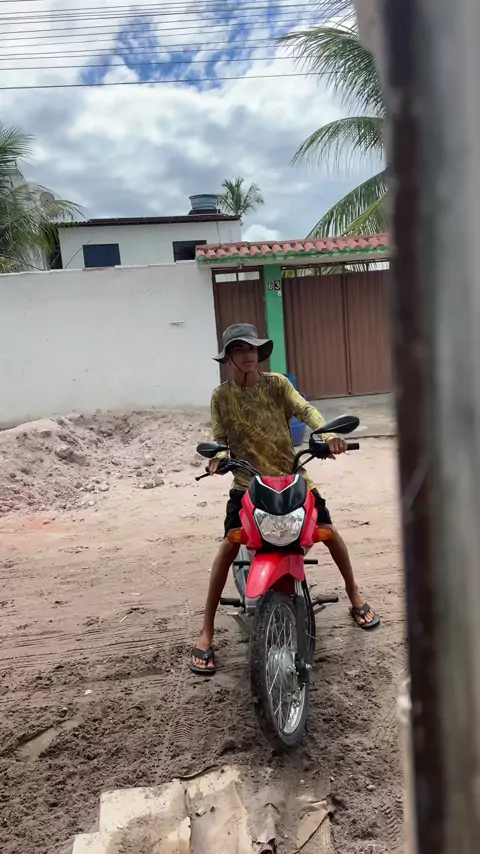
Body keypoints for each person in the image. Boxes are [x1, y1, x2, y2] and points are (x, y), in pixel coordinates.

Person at [190, 323, 380, 675]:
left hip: (291, 476)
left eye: (252, 348)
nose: (248, 354)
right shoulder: (221, 397)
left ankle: (354, 593)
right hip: (247, 482)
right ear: (229, 358)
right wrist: (218, 458)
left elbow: (304, 409)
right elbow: (220, 439)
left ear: (259, 353)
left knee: (328, 531)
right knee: (229, 544)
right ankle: (206, 630)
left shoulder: (277, 384)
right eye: (239, 349)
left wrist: (326, 434)